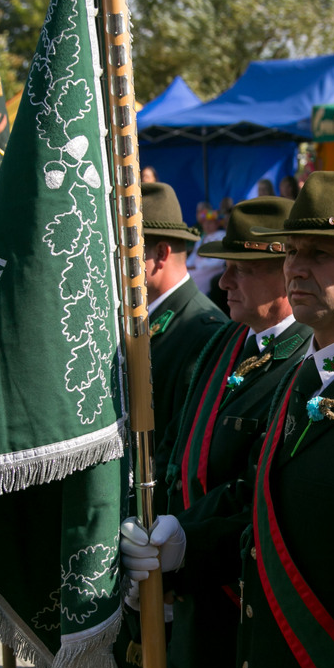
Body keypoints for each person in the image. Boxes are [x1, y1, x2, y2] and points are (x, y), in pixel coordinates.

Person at [124, 171, 334, 668]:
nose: (297, 269)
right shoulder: (303, 377)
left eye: (320, 254)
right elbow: (263, 511)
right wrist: (184, 542)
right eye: (291, 251)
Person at [140, 196, 313, 668]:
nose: (223, 281)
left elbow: (258, 488)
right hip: (190, 583)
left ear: (285, 273)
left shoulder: (304, 363)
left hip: (237, 595)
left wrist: (183, 548)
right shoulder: (227, 339)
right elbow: (178, 448)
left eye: (242, 268)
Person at [142, 183, 228, 504]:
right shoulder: (148, 318)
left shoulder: (203, 330)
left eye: (122, 253)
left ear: (160, 255)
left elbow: (182, 451)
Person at [186, 200, 226, 299]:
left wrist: (198, 266)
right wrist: (187, 265)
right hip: (199, 269)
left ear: (217, 223)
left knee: (191, 281)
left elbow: (219, 260)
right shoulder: (202, 238)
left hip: (213, 270)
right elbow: (194, 256)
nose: (207, 225)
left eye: (210, 223)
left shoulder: (221, 236)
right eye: (205, 223)